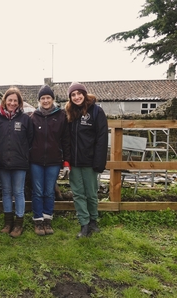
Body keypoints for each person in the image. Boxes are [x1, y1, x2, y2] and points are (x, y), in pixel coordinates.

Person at [65, 82, 108, 238]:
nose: (76, 97)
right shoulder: (69, 113)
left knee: (91, 193)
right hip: (74, 162)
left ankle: (93, 221)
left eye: (79, 93)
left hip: (90, 161)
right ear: (70, 98)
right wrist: (67, 160)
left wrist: (99, 161)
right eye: (73, 95)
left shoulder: (96, 112)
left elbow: (102, 138)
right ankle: (84, 224)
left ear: (84, 94)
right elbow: (66, 138)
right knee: (78, 194)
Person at [29, 85, 71, 236]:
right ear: (39, 100)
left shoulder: (61, 116)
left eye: (48, 98)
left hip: (54, 160)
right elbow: (29, 139)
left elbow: (66, 140)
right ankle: (38, 221)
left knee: (49, 191)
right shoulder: (33, 117)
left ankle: (47, 219)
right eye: (42, 98)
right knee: (38, 191)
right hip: (36, 161)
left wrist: (66, 161)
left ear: (52, 99)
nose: (45, 101)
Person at [0, 87, 33, 237]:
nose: (12, 103)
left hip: (19, 162)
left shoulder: (25, 119)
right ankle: (8, 222)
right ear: (5, 101)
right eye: (9, 100)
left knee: (18, 192)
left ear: (19, 103)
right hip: (2, 162)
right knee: (6, 192)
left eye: (15, 101)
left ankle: (18, 224)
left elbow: (30, 139)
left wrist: (23, 154)